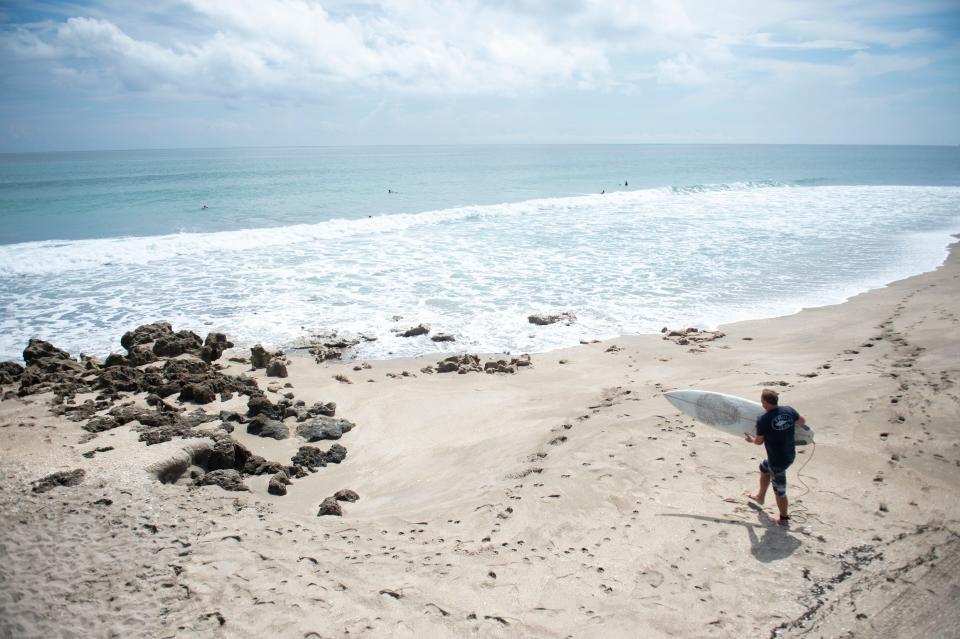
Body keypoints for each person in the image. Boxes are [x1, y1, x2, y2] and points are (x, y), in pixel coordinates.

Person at [744, 388, 805, 526]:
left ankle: (784, 519)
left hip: (778, 461)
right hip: (789, 454)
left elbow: (759, 442)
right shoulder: (789, 410)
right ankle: (760, 497)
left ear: (764, 402)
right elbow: (802, 421)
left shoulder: (764, 419)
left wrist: (751, 440)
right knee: (764, 467)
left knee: (780, 491)